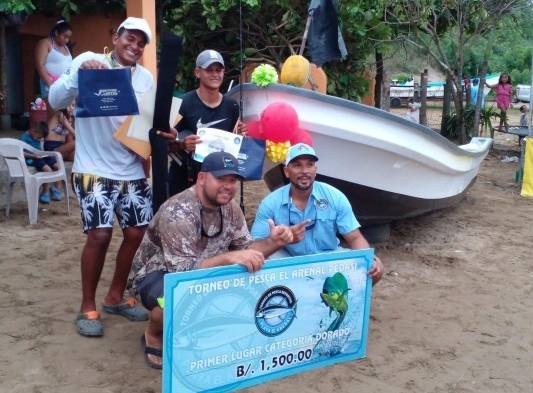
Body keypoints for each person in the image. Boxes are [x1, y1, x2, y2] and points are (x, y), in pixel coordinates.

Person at [129, 151, 294, 369]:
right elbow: (182, 274)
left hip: (206, 268)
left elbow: (247, 249)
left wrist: (275, 242)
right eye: (221, 179)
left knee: (256, 277)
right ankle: (153, 333)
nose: (228, 186)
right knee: (169, 301)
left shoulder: (231, 208)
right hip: (158, 273)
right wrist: (231, 257)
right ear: (202, 178)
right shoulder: (177, 211)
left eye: (233, 180)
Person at [49, 17, 155, 337]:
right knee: (99, 235)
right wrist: (78, 79)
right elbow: (56, 100)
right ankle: (87, 306)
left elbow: (143, 124)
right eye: (129, 39)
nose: (134, 47)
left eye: (140, 43)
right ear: (116, 37)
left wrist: (146, 159)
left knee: (137, 233)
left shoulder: (145, 79)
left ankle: (115, 296)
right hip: (92, 167)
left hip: (131, 169)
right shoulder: (87, 61)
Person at [251, 143, 384, 284]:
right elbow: (253, 248)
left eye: (309, 165)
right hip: (289, 261)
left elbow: (355, 238)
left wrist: (370, 259)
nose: (304, 171)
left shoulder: (335, 196)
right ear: (286, 171)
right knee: (257, 265)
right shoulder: (270, 203)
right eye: (297, 165)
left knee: (371, 269)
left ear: (315, 170)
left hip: (327, 259)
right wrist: (277, 241)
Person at [159, 49, 244, 197]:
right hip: (183, 180)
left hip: (218, 183)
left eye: (219, 70)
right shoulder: (182, 103)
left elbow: (234, 144)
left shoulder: (232, 106)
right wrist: (182, 145)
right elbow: (163, 145)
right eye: (209, 70)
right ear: (198, 72)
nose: (215, 74)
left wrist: (241, 136)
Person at [34, 20, 73, 143]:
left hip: (66, 87)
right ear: (56, 32)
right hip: (50, 85)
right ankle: (52, 144)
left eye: (69, 37)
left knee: (67, 116)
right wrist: (51, 86)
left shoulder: (66, 47)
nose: (67, 40)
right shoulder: (45, 43)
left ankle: (65, 144)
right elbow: (40, 65)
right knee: (55, 115)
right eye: (64, 36)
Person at [19, 120, 58, 204]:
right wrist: (33, 156)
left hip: (39, 156)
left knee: (56, 165)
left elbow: (39, 149)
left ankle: (54, 188)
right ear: (33, 130)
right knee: (48, 170)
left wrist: (42, 153)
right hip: (31, 159)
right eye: (39, 137)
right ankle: (45, 192)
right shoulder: (23, 138)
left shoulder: (36, 136)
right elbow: (20, 152)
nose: (39, 139)